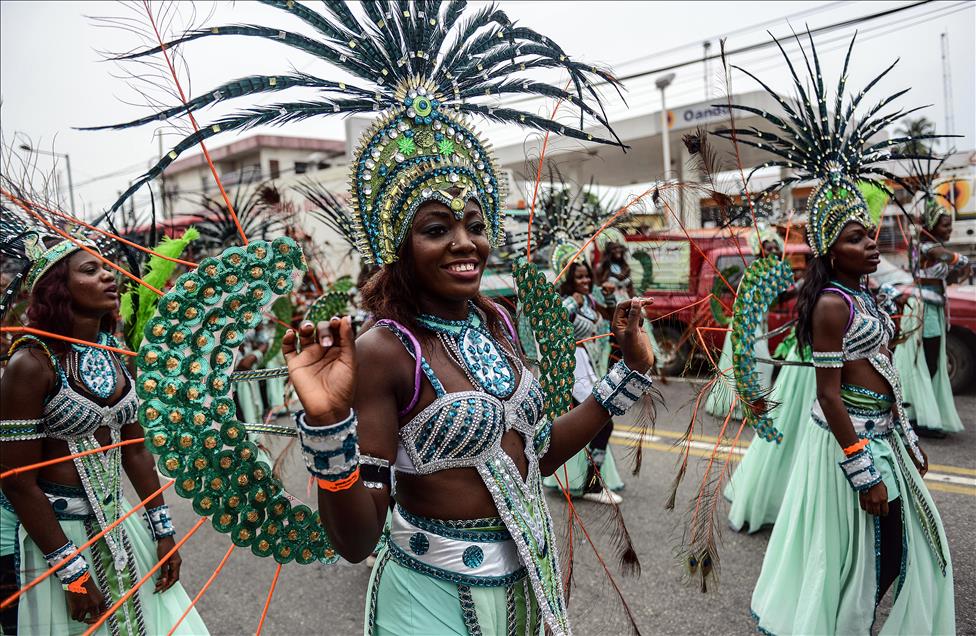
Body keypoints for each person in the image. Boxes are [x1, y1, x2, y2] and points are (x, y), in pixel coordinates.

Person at [714, 32, 954, 634]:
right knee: (851, 562)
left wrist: (904, 437)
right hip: (850, 446)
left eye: (871, 233)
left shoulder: (860, 294)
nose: (871, 243)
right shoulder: (827, 304)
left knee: (919, 554)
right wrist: (863, 468)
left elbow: (882, 372)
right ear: (828, 247)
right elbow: (828, 394)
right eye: (855, 237)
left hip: (884, 435)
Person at [0, 237, 207, 635]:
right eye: (90, 270)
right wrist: (72, 574)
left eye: (107, 266)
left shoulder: (114, 349)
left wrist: (163, 532)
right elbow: (17, 480)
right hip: (59, 537)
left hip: (121, 525)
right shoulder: (30, 362)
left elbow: (136, 451)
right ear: (58, 286)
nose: (109, 275)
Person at [542, 258, 626, 505]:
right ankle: (592, 484)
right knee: (600, 422)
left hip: (587, 363)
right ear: (569, 280)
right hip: (569, 368)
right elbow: (552, 327)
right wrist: (569, 306)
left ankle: (586, 480)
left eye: (587, 276)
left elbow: (609, 317)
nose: (586, 281)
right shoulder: (566, 302)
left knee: (593, 423)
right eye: (579, 277)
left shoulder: (589, 299)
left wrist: (610, 296)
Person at [895, 195, 970, 437]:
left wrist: (961, 270)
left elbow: (948, 275)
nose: (949, 229)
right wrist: (962, 261)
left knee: (934, 363)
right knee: (926, 363)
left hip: (934, 307)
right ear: (932, 226)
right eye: (945, 224)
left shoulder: (932, 246)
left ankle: (924, 415)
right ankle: (919, 418)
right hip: (923, 309)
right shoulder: (926, 246)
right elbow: (951, 258)